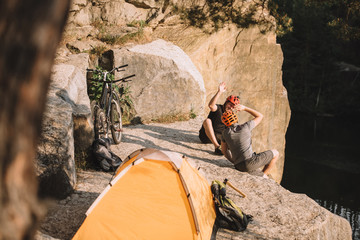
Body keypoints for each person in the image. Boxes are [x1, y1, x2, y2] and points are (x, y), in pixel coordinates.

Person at [220, 106, 279, 178]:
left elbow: (224, 151)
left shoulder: (225, 133)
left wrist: (233, 161)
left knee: (254, 165)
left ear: (225, 122)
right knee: (276, 153)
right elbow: (260, 116)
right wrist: (245, 108)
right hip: (250, 162)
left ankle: (261, 175)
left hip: (238, 166)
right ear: (236, 118)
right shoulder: (245, 127)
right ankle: (263, 175)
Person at [199, 82, 240, 155]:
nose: (231, 107)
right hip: (206, 137)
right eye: (230, 104)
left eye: (233, 106)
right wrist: (219, 92)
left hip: (220, 138)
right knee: (207, 121)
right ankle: (217, 147)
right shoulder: (218, 108)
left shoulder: (232, 116)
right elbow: (211, 106)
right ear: (226, 102)